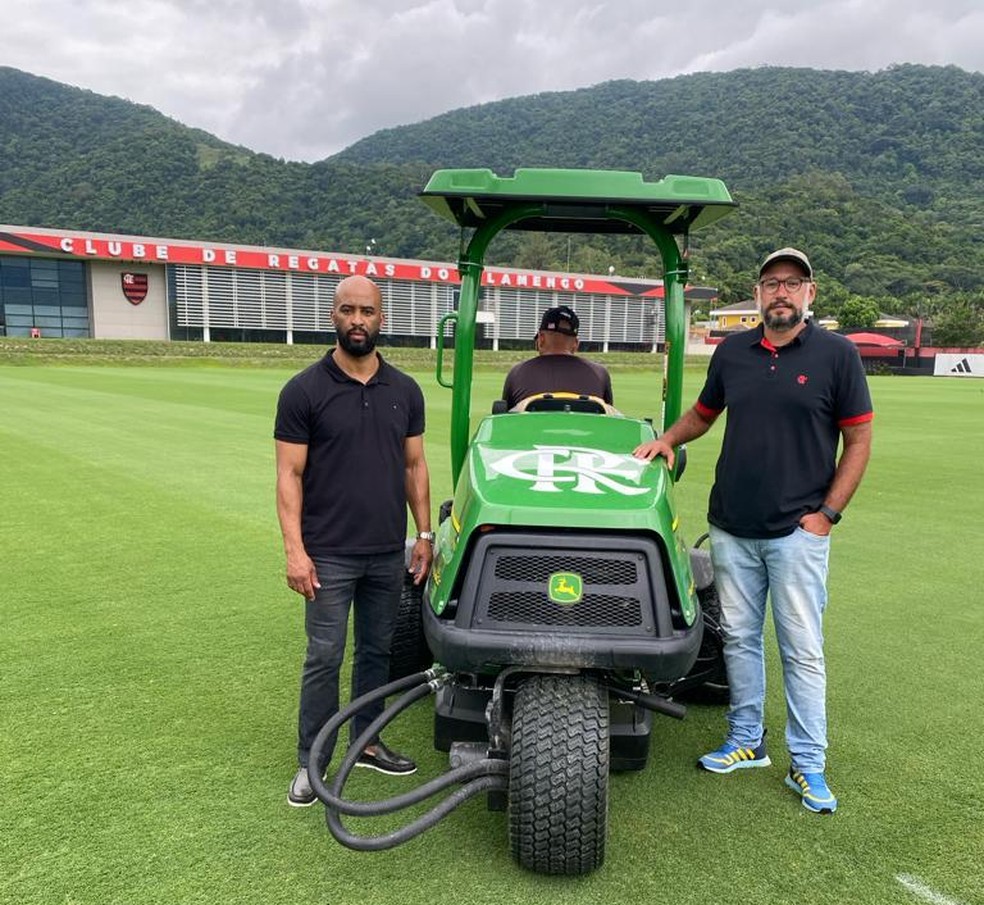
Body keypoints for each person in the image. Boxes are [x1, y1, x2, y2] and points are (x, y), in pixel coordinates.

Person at [633, 247, 873, 814]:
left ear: (810, 293)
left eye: (793, 283)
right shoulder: (734, 352)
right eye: (771, 284)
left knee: (801, 650)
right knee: (739, 639)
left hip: (797, 531)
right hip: (732, 527)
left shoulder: (837, 355)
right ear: (758, 294)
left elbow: (859, 442)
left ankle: (809, 764)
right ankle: (747, 742)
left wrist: (826, 517)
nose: (781, 293)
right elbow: (703, 414)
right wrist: (668, 438)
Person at [274, 274, 434, 808]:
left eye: (367, 311)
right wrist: (295, 551)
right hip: (328, 555)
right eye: (348, 310)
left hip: (386, 550)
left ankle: (366, 743)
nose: (358, 320)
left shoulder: (405, 390)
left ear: (381, 318)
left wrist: (425, 534)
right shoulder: (304, 391)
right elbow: (288, 476)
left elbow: (415, 466)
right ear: (334, 316)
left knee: (376, 652)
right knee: (324, 656)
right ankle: (311, 762)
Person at [501, 305, 614, 408]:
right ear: (575, 344)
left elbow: (506, 420)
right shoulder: (599, 374)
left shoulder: (518, 373)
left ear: (541, 339)